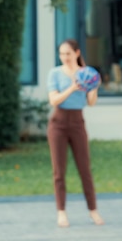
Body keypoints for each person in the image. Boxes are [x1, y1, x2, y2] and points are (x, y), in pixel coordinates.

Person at [47, 38, 104, 228]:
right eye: (62, 54)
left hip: (78, 123)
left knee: (84, 169)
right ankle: (61, 212)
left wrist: (94, 88)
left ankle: (93, 210)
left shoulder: (86, 74)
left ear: (77, 53)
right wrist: (72, 87)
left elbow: (91, 102)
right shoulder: (55, 73)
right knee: (59, 171)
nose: (64, 57)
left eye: (68, 54)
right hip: (58, 124)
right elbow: (54, 100)